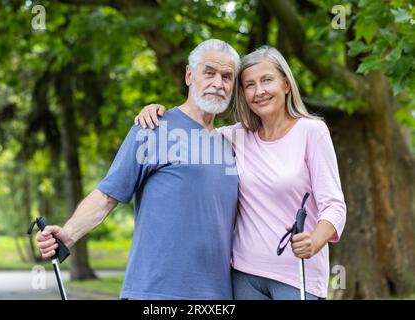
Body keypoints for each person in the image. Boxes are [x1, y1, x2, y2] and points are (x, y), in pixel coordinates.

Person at [134, 45, 347, 300]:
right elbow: (191, 128)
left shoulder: (312, 132)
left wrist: (314, 241)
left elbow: (334, 206)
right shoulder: (233, 137)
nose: (259, 91)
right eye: (249, 85)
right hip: (244, 275)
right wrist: (159, 114)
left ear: (286, 84)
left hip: (297, 274)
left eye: (267, 80)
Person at [35, 39, 241, 300]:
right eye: (209, 72)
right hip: (154, 292)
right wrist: (68, 234)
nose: (218, 83)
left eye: (227, 76)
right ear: (189, 75)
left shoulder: (232, 143)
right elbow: (107, 195)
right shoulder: (153, 128)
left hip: (218, 296)